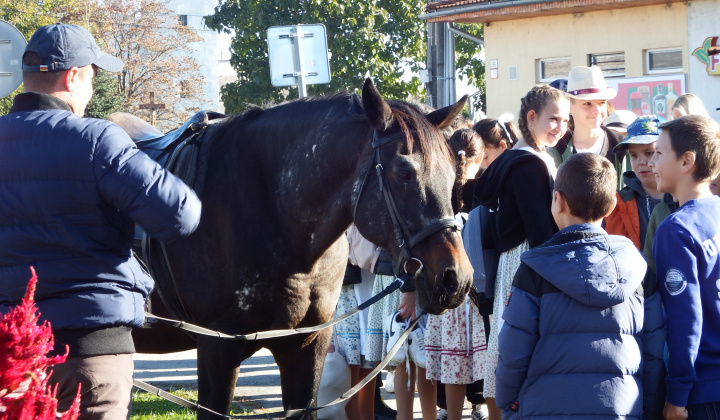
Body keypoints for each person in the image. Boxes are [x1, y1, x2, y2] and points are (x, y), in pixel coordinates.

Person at [0, 23, 202, 419]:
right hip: (89, 354)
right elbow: (180, 214)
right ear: (73, 76)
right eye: (92, 76)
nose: (91, 90)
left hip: (9, 356)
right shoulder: (97, 141)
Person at [496, 152, 646, 419]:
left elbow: (513, 350)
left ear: (557, 200)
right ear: (612, 206)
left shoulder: (535, 268)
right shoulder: (635, 269)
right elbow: (652, 348)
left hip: (544, 408)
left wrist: (507, 402)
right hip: (621, 407)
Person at [473, 84, 568, 420]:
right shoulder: (528, 163)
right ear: (531, 117)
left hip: (518, 260)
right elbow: (538, 227)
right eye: (553, 119)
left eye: (565, 121)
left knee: (509, 345)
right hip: (528, 260)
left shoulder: (525, 158)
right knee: (517, 348)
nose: (560, 126)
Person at [649, 115, 720, 420]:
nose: (652, 161)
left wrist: (676, 395)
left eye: (659, 153)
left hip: (703, 390)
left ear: (686, 161)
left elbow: (684, 318)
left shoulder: (676, 229)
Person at [426, 128, 488, 420]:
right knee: (481, 363)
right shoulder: (487, 191)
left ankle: (452, 417)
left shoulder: (438, 193)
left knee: (453, 368)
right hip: (476, 293)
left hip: (447, 293)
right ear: (482, 156)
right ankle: (481, 409)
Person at [548, 65, 627, 187]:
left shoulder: (622, 147)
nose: (596, 110)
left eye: (601, 103)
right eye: (587, 103)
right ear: (570, 107)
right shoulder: (554, 149)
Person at [605, 115, 674, 249]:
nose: (641, 162)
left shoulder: (685, 196)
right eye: (633, 155)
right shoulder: (617, 203)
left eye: (649, 153)